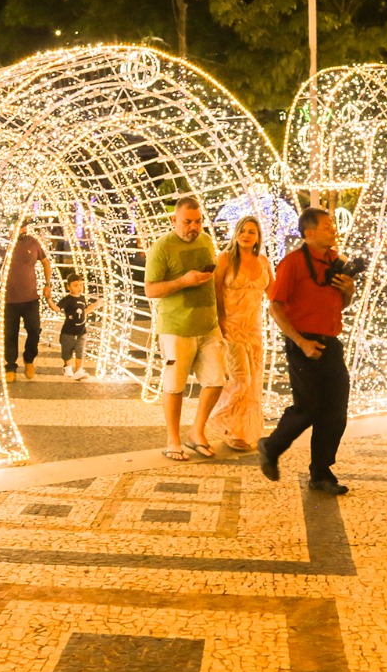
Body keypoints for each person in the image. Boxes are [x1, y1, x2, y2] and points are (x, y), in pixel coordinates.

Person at [258, 207, 356, 494]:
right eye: (327, 226)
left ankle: (321, 473)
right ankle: (271, 446)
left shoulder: (336, 262)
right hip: (302, 343)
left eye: (333, 225)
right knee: (308, 408)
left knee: (335, 411)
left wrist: (348, 289)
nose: (333, 229)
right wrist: (301, 342)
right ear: (309, 232)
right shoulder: (293, 263)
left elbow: (341, 304)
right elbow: (275, 307)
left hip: (331, 344)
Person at [144, 196, 224, 461]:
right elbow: (151, 289)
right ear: (174, 220)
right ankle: (172, 439)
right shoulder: (162, 247)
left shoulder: (206, 240)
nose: (194, 227)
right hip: (176, 327)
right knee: (174, 386)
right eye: (188, 222)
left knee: (216, 381)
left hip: (208, 325)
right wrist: (183, 282)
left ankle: (197, 432)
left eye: (198, 221)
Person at [209, 215, 273, 450]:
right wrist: (220, 320)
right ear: (236, 233)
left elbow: (275, 294)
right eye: (243, 231)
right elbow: (215, 290)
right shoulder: (225, 258)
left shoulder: (263, 262)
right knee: (241, 380)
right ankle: (218, 417)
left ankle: (243, 433)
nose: (247, 235)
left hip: (254, 329)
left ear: (258, 237)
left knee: (254, 381)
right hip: (231, 327)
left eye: (252, 232)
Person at [2, 219, 53, 380]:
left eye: (24, 225)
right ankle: (10, 366)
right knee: (10, 334)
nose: (23, 229)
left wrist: (47, 284)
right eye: (19, 226)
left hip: (31, 298)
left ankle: (29, 359)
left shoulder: (33, 242)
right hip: (10, 299)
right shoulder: (4, 245)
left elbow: (46, 262)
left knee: (34, 330)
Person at [57, 274, 101, 379]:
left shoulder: (82, 298)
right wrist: (49, 300)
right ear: (68, 287)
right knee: (67, 351)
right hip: (68, 331)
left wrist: (95, 305)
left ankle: (79, 370)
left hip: (82, 330)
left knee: (80, 350)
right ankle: (67, 367)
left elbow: (84, 312)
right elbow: (57, 308)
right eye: (75, 285)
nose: (79, 288)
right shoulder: (67, 300)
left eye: (81, 285)